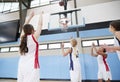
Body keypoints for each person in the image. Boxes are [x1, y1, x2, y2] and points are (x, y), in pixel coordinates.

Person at [17, 11, 43, 82]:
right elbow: (40, 24)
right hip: (31, 64)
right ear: (32, 30)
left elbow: (24, 26)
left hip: (22, 63)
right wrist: (41, 14)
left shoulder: (22, 37)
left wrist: (30, 17)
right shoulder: (34, 37)